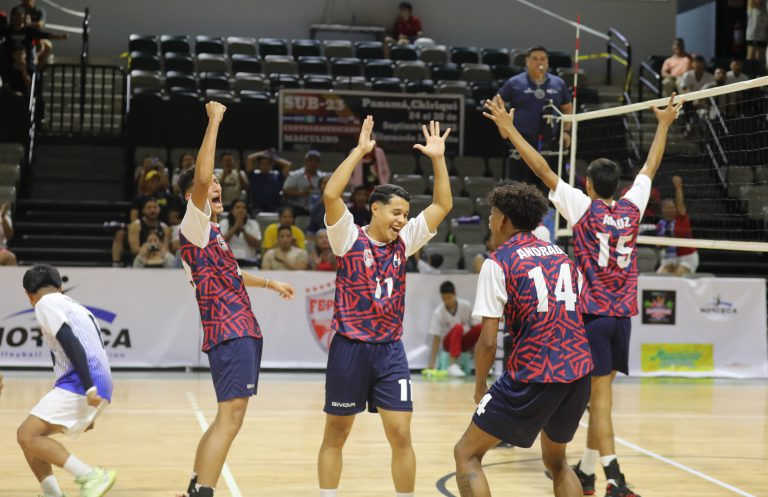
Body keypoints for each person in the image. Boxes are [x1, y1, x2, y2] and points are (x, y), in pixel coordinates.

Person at [482, 93, 683, 497]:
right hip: (622, 318)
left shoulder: (583, 208)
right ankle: (588, 471)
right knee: (599, 402)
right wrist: (663, 124)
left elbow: (541, 170)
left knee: (601, 404)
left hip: (591, 317)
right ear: (620, 187)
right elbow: (651, 166)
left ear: (588, 184)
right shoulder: (632, 208)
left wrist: (509, 130)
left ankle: (615, 479)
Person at [317, 117, 453, 497]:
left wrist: (438, 159)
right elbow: (331, 195)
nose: (402, 221)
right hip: (350, 349)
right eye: (396, 213)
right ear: (375, 209)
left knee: (401, 434)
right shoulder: (348, 237)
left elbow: (443, 203)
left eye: (406, 216)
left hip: (390, 351)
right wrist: (360, 152)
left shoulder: (404, 242)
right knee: (337, 434)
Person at [175, 102, 295, 497]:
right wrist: (213, 122)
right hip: (230, 331)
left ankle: (196, 483)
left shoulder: (212, 233)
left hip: (237, 330)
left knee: (225, 416)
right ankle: (205, 491)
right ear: (193, 196)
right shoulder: (193, 226)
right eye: (208, 188)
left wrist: (269, 284)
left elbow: (232, 275)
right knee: (231, 417)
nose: (216, 188)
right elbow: (204, 175)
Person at [452, 182, 593, 497]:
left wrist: (479, 387)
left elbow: (488, 342)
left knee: (466, 453)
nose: (490, 220)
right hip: (578, 371)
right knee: (557, 462)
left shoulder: (498, 262)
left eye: (492, 214)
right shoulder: (563, 257)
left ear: (503, 219)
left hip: (535, 372)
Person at [17, 264, 117, 497]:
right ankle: (52, 494)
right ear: (60, 287)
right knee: (30, 437)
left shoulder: (45, 303)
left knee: (27, 435)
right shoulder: (73, 305)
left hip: (82, 382)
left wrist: (89, 388)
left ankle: (92, 476)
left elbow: (72, 343)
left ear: (29, 295)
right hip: (95, 381)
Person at [498, 46, 573, 187]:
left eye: (543, 59)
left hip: (551, 144)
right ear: (527, 61)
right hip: (522, 143)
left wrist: (566, 131)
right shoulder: (515, 82)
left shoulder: (558, 83)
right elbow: (497, 103)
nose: (539, 62)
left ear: (547, 62)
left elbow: (568, 108)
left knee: (549, 187)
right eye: (535, 58)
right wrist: (503, 127)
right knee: (519, 188)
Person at [425, 281, 481, 377]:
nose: (447, 301)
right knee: (458, 327)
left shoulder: (465, 306)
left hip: (463, 342)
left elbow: (473, 329)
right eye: (444, 298)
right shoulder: (438, 313)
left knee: (481, 327)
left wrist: (473, 349)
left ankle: (481, 364)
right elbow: (436, 338)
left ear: (455, 294)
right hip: (448, 344)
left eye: (449, 297)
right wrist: (432, 362)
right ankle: (452, 365)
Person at [656, 176, 698, 275]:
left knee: (675, 278)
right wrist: (664, 242)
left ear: (676, 209)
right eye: (667, 208)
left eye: (672, 208)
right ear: (662, 210)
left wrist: (678, 187)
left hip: (687, 258)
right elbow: (659, 246)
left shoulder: (681, 218)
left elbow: (680, 203)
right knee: (658, 278)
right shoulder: (661, 224)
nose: (669, 210)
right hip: (670, 258)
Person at [219, 199, 261, 266]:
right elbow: (220, 244)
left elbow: (257, 244)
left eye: (243, 208)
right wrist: (235, 227)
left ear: (246, 211)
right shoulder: (224, 223)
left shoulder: (253, 224)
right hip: (227, 263)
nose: (241, 210)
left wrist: (243, 230)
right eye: (237, 207)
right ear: (231, 210)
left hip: (249, 263)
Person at [283, 150, 324, 215]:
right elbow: (286, 191)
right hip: (297, 207)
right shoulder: (294, 175)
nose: (313, 163)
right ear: (305, 162)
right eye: (310, 160)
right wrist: (302, 192)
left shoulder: (323, 177)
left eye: (316, 161)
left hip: (317, 207)